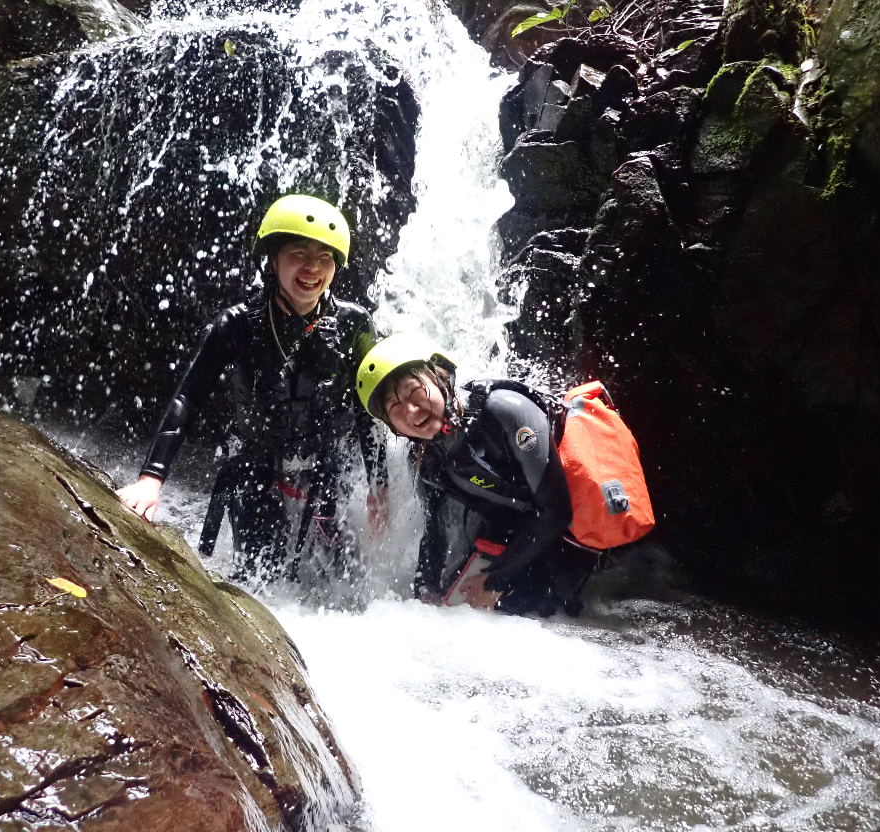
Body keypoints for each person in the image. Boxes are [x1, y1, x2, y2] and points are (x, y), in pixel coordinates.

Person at [117, 193, 385, 583]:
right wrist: (151, 478)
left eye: (325, 257)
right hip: (256, 466)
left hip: (329, 469)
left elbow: (370, 407)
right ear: (272, 261)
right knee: (260, 583)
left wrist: (380, 488)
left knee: (339, 586)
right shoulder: (237, 325)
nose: (313, 268)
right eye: (299, 253)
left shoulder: (354, 324)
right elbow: (187, 398)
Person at [355, 334, 651, 616]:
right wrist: (425, 590)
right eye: (394, 406)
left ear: (439, 377)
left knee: (535, 606)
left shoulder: (505, 411)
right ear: (392, 427)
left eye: (412, 390)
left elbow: (556, 510)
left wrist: (496, 582)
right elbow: (435, 530)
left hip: (571, 525)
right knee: (454, 600)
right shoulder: (428, 460)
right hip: (524, 527)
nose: (410, 408)